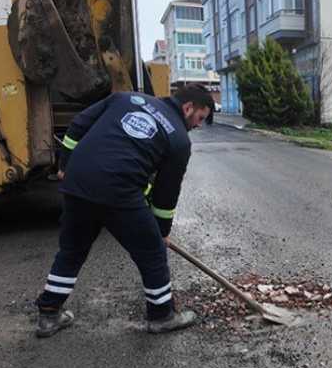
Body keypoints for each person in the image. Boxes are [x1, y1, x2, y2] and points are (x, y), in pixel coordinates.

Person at [33, 85, 213, 337]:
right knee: (152, 253)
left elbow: (77, 125)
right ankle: (162, 316)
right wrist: (160, 232)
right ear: (188, 108)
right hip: (119, 191)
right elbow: (166, 194)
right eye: (199, 118)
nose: (197, 125)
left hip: (78, 184)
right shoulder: (180, 140)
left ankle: (49, 314)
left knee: (72, 250)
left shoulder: (126, 98)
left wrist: (65, 164)